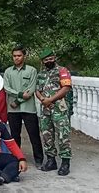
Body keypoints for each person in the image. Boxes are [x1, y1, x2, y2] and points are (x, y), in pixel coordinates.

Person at [3, 46, 44, 168]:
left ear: (24, 56)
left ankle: (39, 159)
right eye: (14, 56)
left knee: (34, 134)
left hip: (28, 108)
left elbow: (31, 89)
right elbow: (7, 88)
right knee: (15, 135)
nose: (16, 58)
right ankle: (16, 158)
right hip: (13, 109)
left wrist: (17, 101)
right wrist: (20, 95)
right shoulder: (8, 71)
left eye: (19, 55)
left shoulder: (31, 71)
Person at [36, 48, 72, 176]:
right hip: (45, 109)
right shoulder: (41, 74)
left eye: (51, 59)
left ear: (54, 58)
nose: (49, 61)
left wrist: (50, 99)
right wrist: (43, 99)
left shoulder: (62, 71)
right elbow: (37, 90)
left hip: (59, 108)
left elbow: (66, 88)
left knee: (63, 135)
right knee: (47, 135)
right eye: (46, 60)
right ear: (43, 61)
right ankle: (51, 161)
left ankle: (65, 163)